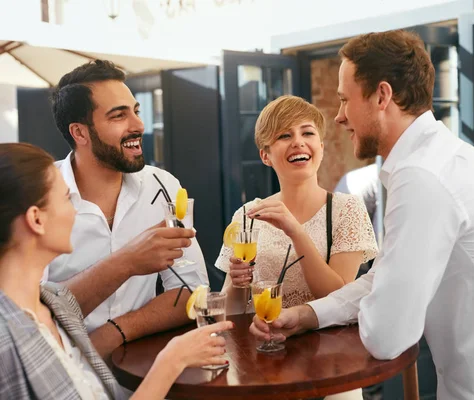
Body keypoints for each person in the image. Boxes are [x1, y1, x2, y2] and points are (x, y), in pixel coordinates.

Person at [250, 30, 474, 400]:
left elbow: (386, 336)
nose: (339, 116)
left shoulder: (422, 177)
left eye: (346, 100)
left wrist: (373, 310)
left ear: (382, 96)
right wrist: (308, 314)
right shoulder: (437, 159)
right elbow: (383, 278)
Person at [0, 143, 231, 400]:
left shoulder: (50, 304)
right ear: (36, 219)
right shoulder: (6, 339)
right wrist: (170, 362)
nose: (76, 210)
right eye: (66, 198)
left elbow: (192, 290)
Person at [45, 60, 209, 359]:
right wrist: (127, 261)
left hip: (141, 372)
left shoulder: (163, 186)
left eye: (135, 111)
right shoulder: (38, 198)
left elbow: (194, 290)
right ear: (80, 133)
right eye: (119, 115)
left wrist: (116, 330)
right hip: (62, 376)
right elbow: (29, 313)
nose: (138, 126)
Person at [216, 95, 377, 316]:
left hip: (324, 346)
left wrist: (295, 231)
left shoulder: (347, 210)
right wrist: (237, 283)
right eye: (284, 135)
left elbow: (339, 298)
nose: (298, 142)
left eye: (307, 133)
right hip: (262, 343)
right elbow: (232, 310)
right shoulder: (247, 216)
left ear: (320, 147)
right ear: (265, 156)